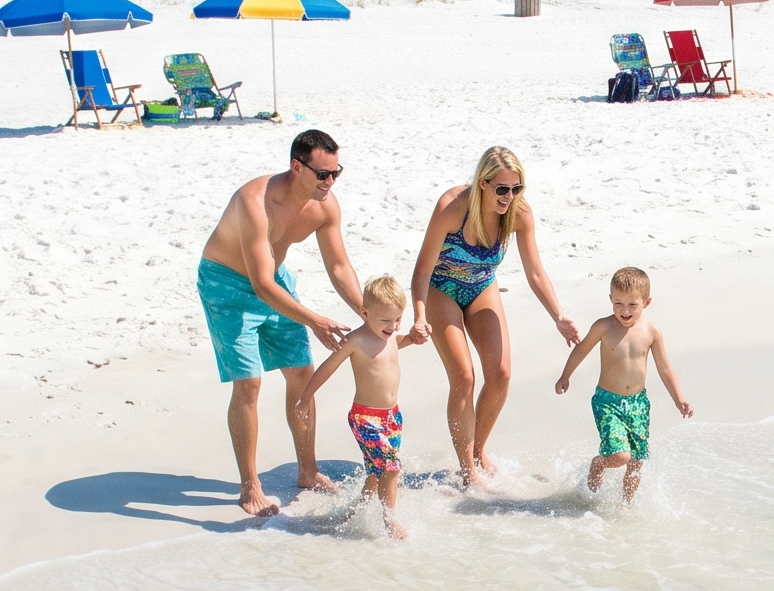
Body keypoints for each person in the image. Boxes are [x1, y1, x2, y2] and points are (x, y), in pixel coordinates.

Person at [197, 129, 365, 517]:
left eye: (336, 172)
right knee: (249, 383)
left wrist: (365, 312)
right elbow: (259, 282)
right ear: (297, 167)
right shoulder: (254, 200)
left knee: (302, 377)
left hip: (277, 281)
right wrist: (316, 321)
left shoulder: (325, 206)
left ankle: (308, 471)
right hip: (227, 285)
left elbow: (339, 266)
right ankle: (249, 486)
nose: (330, 182)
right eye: (323, 174)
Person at [405, 146, 582, 489]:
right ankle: (466, 468)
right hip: (441, 287)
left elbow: (535, 273)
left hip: (481, 285)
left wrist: (558, 316)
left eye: (516, 189)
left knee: (500, 374)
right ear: (482, 184)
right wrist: (419, 314)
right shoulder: (452, 207)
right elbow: (422, 270)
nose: (509, 196)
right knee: (465, 376)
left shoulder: (519, 214)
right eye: (502, 189)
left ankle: (478, 450)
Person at [553, 266, 692, 503]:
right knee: (620, 456)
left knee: (636, 461)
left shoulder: (651, 331)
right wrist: (566, 376)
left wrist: (679, 398)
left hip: (638, 403)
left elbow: (665, 367)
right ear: (610, 300)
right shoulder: (603, 327)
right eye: (618, 304)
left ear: (646, 303)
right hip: (607, 401)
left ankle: (626, 505)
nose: (624, 311)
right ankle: (598, 464)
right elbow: (582, 350)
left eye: (632, 305)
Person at [305, 274, 427, 538]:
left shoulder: (391, 336)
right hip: (365, 418)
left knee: (375, 472)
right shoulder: (356, 341)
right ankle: (390, 522)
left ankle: (356, 512)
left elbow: (400, 341)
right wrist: (305, 397)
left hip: (392, 416)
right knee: (391, 467)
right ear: (365, 312)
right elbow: (327, 368)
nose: (392, 326)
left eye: (397, 319)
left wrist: (414, 337)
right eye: (385, 320)